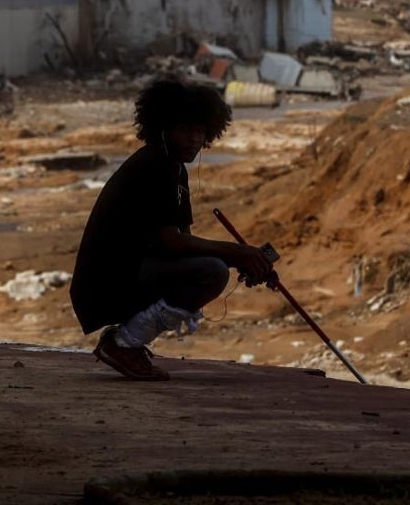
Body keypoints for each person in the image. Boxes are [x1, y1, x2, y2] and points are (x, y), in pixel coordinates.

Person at [70, 75, 275, 381]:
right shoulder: (155, 165)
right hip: (108, 279)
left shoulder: (174, 168)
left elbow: (183, 241)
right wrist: (238, 254)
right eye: (184, 130)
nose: (193, 139)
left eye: (198, 132)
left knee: (212, 266)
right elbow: (171, 243)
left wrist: (242, 258)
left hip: (128, 271)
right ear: (163, 129)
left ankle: (127, 342)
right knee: (213, 272)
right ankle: (123, 344)